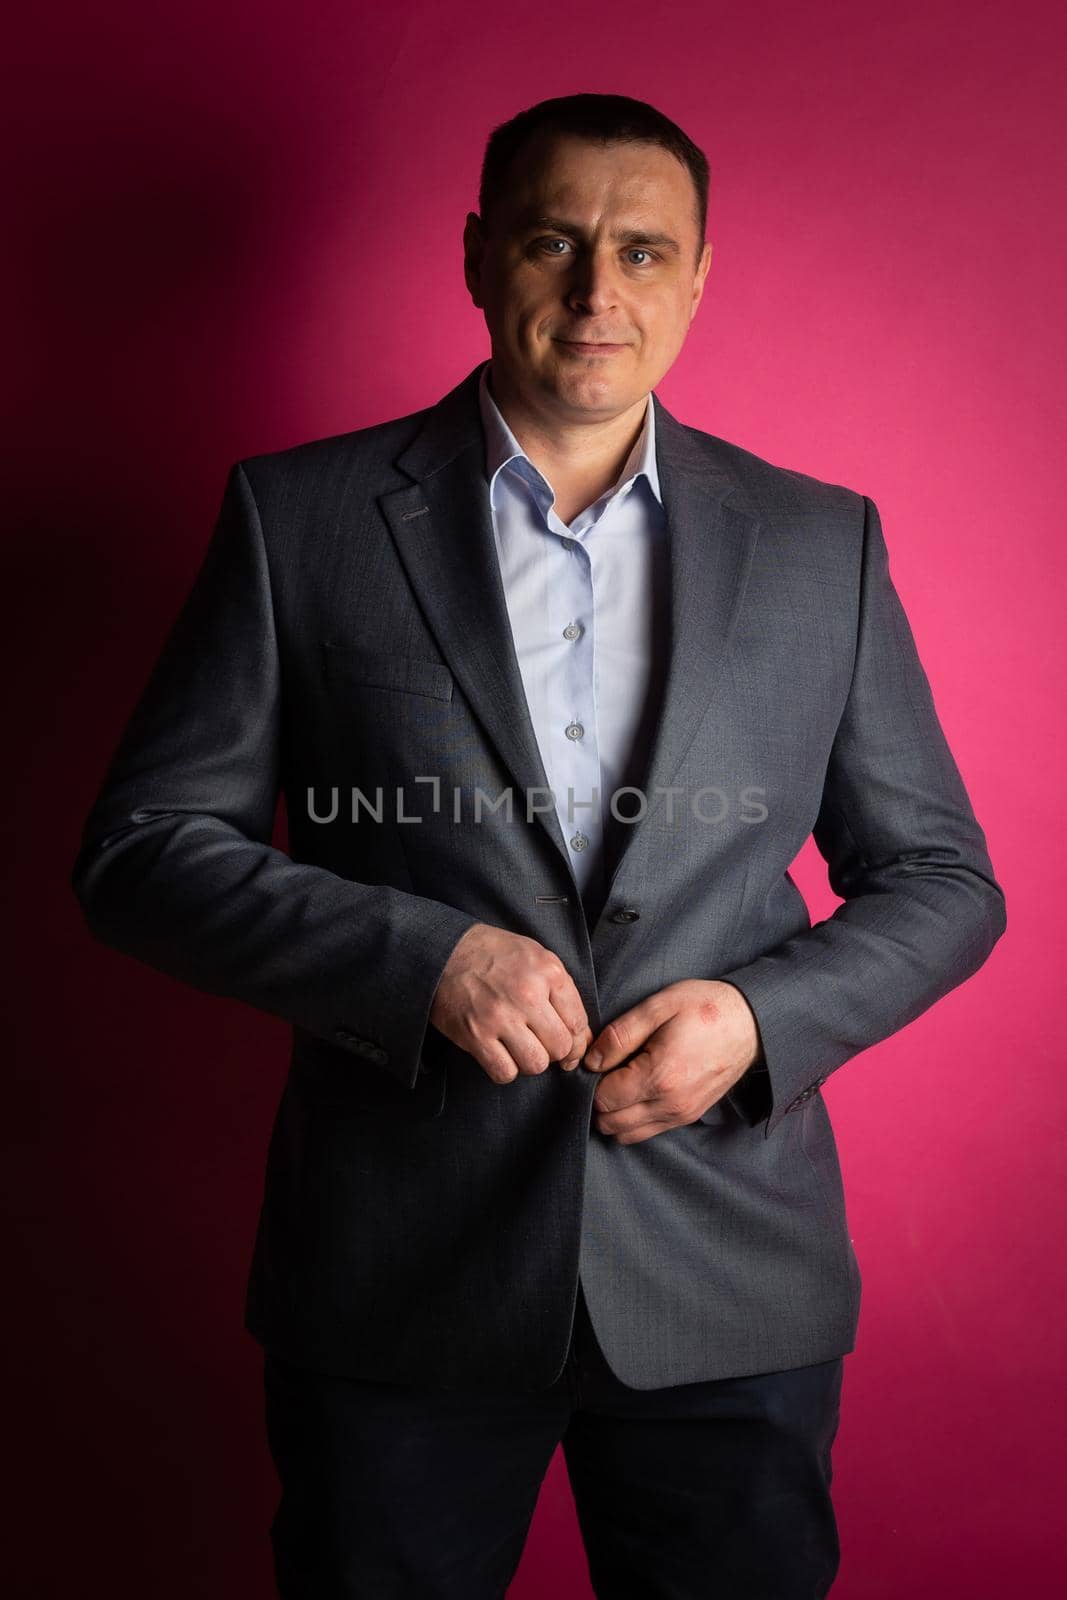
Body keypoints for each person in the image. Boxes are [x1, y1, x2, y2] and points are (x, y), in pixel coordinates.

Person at [71, 92, 1006, 1599]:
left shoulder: (824, 541)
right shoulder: (294, 520)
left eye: (644, 252)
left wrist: (761, 1020)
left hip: (731, 1284)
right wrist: (416, 957)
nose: (597, 292)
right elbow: (139, 850)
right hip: (396, 1287)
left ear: (698, 278)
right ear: (477, 254)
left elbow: (946, 881)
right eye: (555, 242)